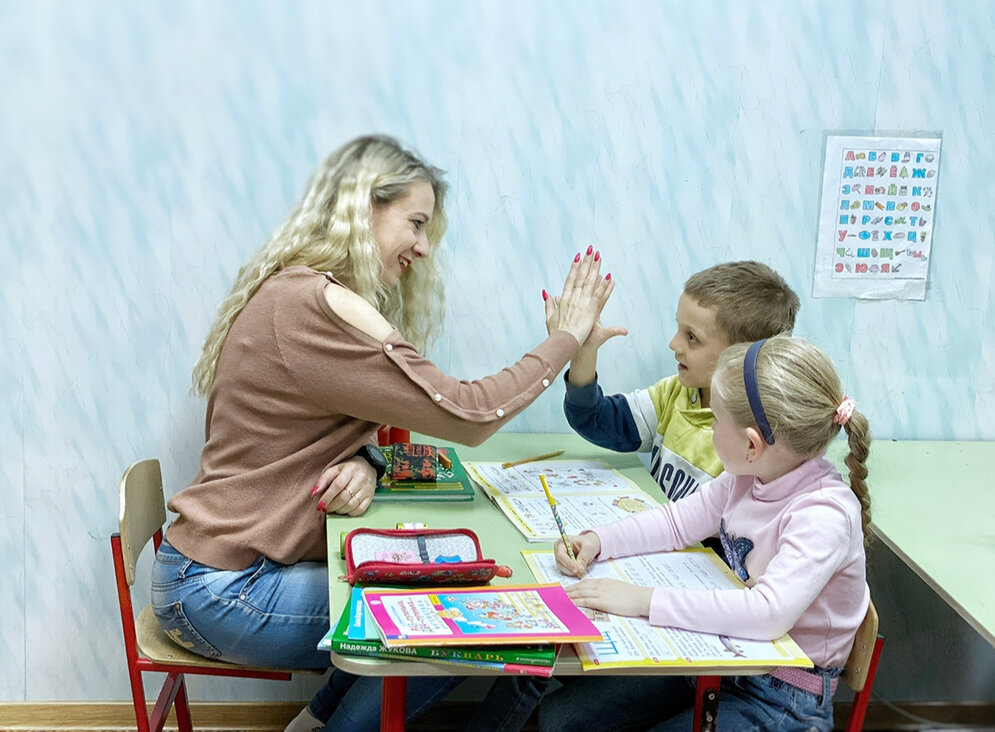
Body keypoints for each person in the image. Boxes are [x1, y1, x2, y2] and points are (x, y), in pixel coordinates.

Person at [149, 134, 615, 732]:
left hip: (215, 573)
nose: (423, 247)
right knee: (458, 621)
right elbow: (470, 415)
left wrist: (367, 459)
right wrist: (566, 339)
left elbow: (324, 430)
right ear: (364, 207)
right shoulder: (317, 306)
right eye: (416, 223)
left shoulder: (299, 291)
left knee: (420, 592)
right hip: (221, 589)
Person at [538, 335, 872, 731]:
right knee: (560, 718)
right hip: (723, 660)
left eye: (715, 421)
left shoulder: (824, 515)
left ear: (751, 444)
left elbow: (767, 615)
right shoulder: (748, 476)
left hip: (782, 700)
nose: (710, 428)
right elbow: (676, 523)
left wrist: (643, 600)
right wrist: (597, 541)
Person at [564, 260, 799, 501]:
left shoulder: (757, 443)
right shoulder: (674, 394)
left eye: (692, 337)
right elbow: (592, 418)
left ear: (741, 356)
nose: (674, 344)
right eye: (679, 329)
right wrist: (585, 352)